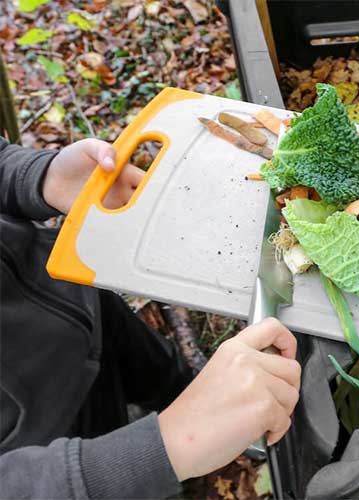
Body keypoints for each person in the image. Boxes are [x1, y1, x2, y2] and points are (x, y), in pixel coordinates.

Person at [0, 137, 301, 498]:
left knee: (163, 373)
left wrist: (37, 176)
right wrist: (161, 450)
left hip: (72, 298)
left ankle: (204, 412)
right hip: (47, 439)